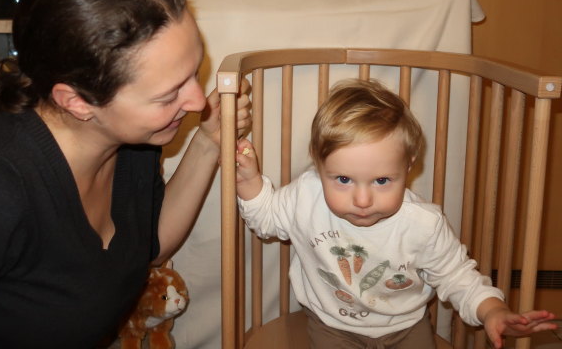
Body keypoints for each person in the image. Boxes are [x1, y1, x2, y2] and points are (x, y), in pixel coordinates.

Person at [0, 0, 250, 348]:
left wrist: (208, 142)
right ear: (76, 101)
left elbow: (146, 245)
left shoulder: (132, 145)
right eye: (169, 95)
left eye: (194, 73)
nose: (198, 102)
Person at [234, 79, 556, 349]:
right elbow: (267, 219)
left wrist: (493, 311)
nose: (362, 199)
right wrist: (250, 182)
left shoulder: (423, 224)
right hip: (332, 326)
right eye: (343, 180)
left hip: (407, 326)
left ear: (408, 167)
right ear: (320, 167)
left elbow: (457, 277)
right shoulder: (306, 196)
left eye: (382, 181)